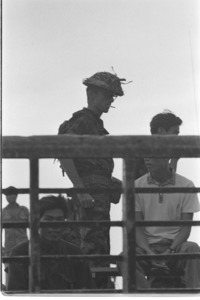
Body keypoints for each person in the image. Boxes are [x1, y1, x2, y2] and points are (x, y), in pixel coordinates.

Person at [58, 71, 126, 288]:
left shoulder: (94, 122)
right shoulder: (84, 120)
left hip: (99, 194)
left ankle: (96, 288)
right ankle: (90, 290)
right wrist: (81, 189)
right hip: (90, 195)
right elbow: (63, 150)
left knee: (99, 246)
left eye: (112, 97)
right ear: (93, 93)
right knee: (92, 248)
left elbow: (93, 164)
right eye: (107, 95)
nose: (110, 101)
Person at [135, 157, 200, 288]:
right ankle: (148, 297)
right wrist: (148, 252)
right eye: (146, 156)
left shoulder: (186, 185)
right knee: (125, 257)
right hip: (147, 248)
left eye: (152, 156)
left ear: (166, 157)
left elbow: (185, 228)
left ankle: (194, 295)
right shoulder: (136, 186)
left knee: (193, 249)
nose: (147, 160)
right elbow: (137, 228)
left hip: (176, 247)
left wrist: (170, 250)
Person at [7, 195, 95, 292]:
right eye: (48, 219)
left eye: (59, 220)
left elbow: (86, 292)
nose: (55, 226)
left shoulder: (75, 253)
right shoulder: (20, 253)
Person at [135, 110, 183, 179]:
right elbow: (164, 182)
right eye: (175, 133)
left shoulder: (158, 150)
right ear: (161, 131)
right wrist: (174, 159)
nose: (177, 137)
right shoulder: (148, 152)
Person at [2, 186, 29, 256]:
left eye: (11, 194)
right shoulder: (3, 212)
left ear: (16, 196)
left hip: (23, 246)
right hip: (9, 247)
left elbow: (32, 228)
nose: (9, 197)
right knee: (9, 266)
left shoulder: (24, 210)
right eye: (7, 195)